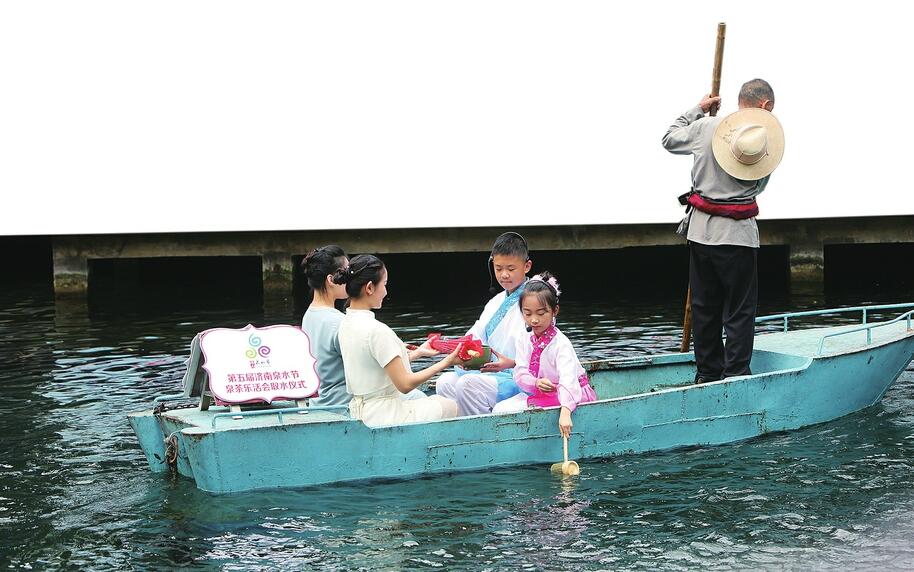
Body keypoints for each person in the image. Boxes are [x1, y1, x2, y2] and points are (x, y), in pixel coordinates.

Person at [662, 78, 785, 383]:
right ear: (765, 106)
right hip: (739, 236)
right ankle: (737, 373)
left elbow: (669, 138)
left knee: (705, 307)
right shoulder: (764, 140)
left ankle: (707, 374)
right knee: (740, 311)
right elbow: (756, 186)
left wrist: (698, 110)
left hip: (701, 232)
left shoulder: (706, 127)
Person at [335, 254, 462, 426]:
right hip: (386, 415)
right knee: (449, 405)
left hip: (360, 412)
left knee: (430, 401)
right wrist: (448, 361)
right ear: (370, 288)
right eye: (384, 285)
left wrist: (418, 353)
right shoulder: (377, 330)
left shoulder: (345, 324)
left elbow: (376, 364)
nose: (386, 292)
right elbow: (404, 384)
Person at [300, 246, 425, 407]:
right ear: (331, 280)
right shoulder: (339, 323)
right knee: (418, 396)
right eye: (344, 273)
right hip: (347, 403)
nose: (350, 277)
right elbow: (368, 364)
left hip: (323, 399)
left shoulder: (310, 315)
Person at [435, 232, 532, 415]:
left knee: (467, 384)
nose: (504, 275)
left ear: (527, 266)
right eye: (498, 268)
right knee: (444, 382)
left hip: (518, 375)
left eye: (511, 269)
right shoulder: (495, 301)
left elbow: (543, 347)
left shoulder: (538, 300)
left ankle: (482, 436)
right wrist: (459, 352)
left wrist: (511, 363)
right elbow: (475, 336)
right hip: (491, 372)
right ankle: (466, 432)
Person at [491, 272, 597, 437]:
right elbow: (520, 372)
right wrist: (536, 382)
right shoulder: (524, 339)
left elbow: (568, 381)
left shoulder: (561, 344)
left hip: (571, 397)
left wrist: (565, 412)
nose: (534, 320)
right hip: (544, 394)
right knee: (499, 408)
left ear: (555, 311)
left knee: (506, 410)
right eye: (527, 313)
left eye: (541, 313)